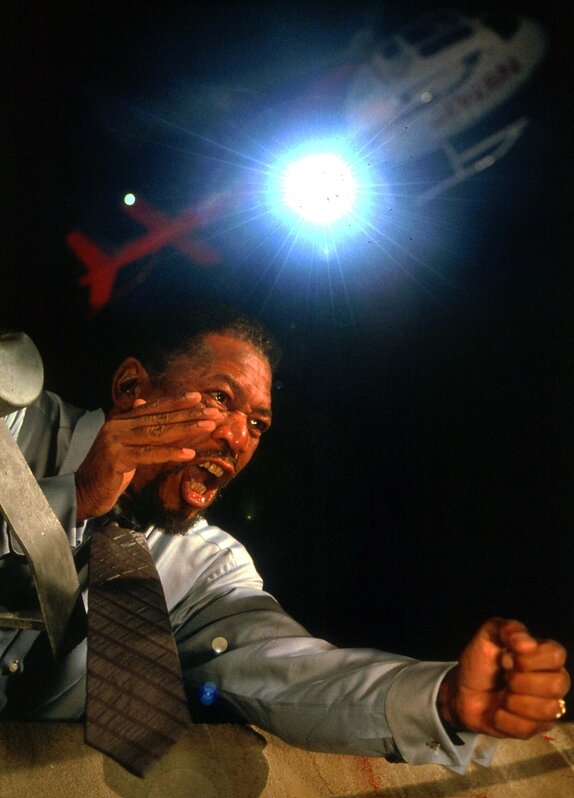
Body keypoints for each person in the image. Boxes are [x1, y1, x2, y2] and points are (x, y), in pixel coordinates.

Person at [0, 304, 569, 774]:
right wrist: (77, 497)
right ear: (132, 388)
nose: (237, 439)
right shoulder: (15, 429)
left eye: (257, 424)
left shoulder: (208, 567)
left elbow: (291, 670)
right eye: (221, 399)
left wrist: (442, 698)